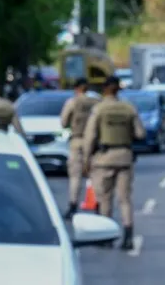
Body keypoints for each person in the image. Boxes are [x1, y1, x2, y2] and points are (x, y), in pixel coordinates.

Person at [82, 76, 145, 251]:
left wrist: (86, 159)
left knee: (104, 198)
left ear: (104, 89)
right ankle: (128, 235)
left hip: (103, 158)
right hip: (124, 157)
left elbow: (90, 137)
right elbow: (140, 133)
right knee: (125, 199)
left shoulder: (99, 109)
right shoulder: (129, 108)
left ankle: (107, 236)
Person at [60, 78, 100, 218]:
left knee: (75, 175)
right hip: (93, 142)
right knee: (95, 174)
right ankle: (98, 204)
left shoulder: (72, 102)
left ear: (76, 88)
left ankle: (73, 204)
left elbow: (63, 122)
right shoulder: (96, 102)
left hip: (77, 140)